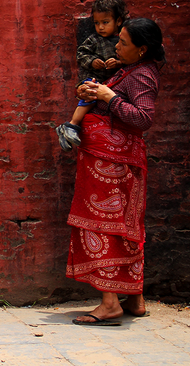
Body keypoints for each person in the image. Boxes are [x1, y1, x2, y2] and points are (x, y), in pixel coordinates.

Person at [65, 18, 165, 326]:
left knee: (103, 224)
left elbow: (143, 118)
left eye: (123, 42)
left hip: (113, 165)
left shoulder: (143, 76)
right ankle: (134, 297)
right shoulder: (129, 71)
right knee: (125, 226)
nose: (117, 45)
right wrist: (97, 92)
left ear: (142, 49)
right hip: (112, 161)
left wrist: (111, 97)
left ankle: (110, 303)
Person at [56, 0, 128, 151]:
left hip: (112, 83)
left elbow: (131, 61)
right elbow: (81, 54)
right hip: (93, 78)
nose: (100, 27)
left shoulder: (124, 40)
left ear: (118, 21)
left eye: (105, 22)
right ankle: (72, 125)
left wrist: (118, 62)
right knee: (90, 94)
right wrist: (93, 62)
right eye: (97, 23)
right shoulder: (94, 40)